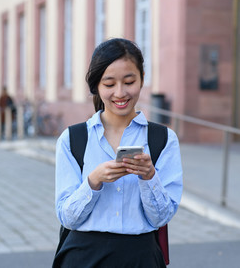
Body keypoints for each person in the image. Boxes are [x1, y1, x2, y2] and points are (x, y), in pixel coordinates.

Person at [53, 38, 183, 267]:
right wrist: (93, 180)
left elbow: (161, 218)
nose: (120, 93)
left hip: (141, 257)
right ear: (96, 86)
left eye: (129, 81)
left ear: (142, 79)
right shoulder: (73, 139)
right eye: (109, 84)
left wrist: (149, 177)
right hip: (83, 257)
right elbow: (67, 218)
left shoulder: (162, 139)